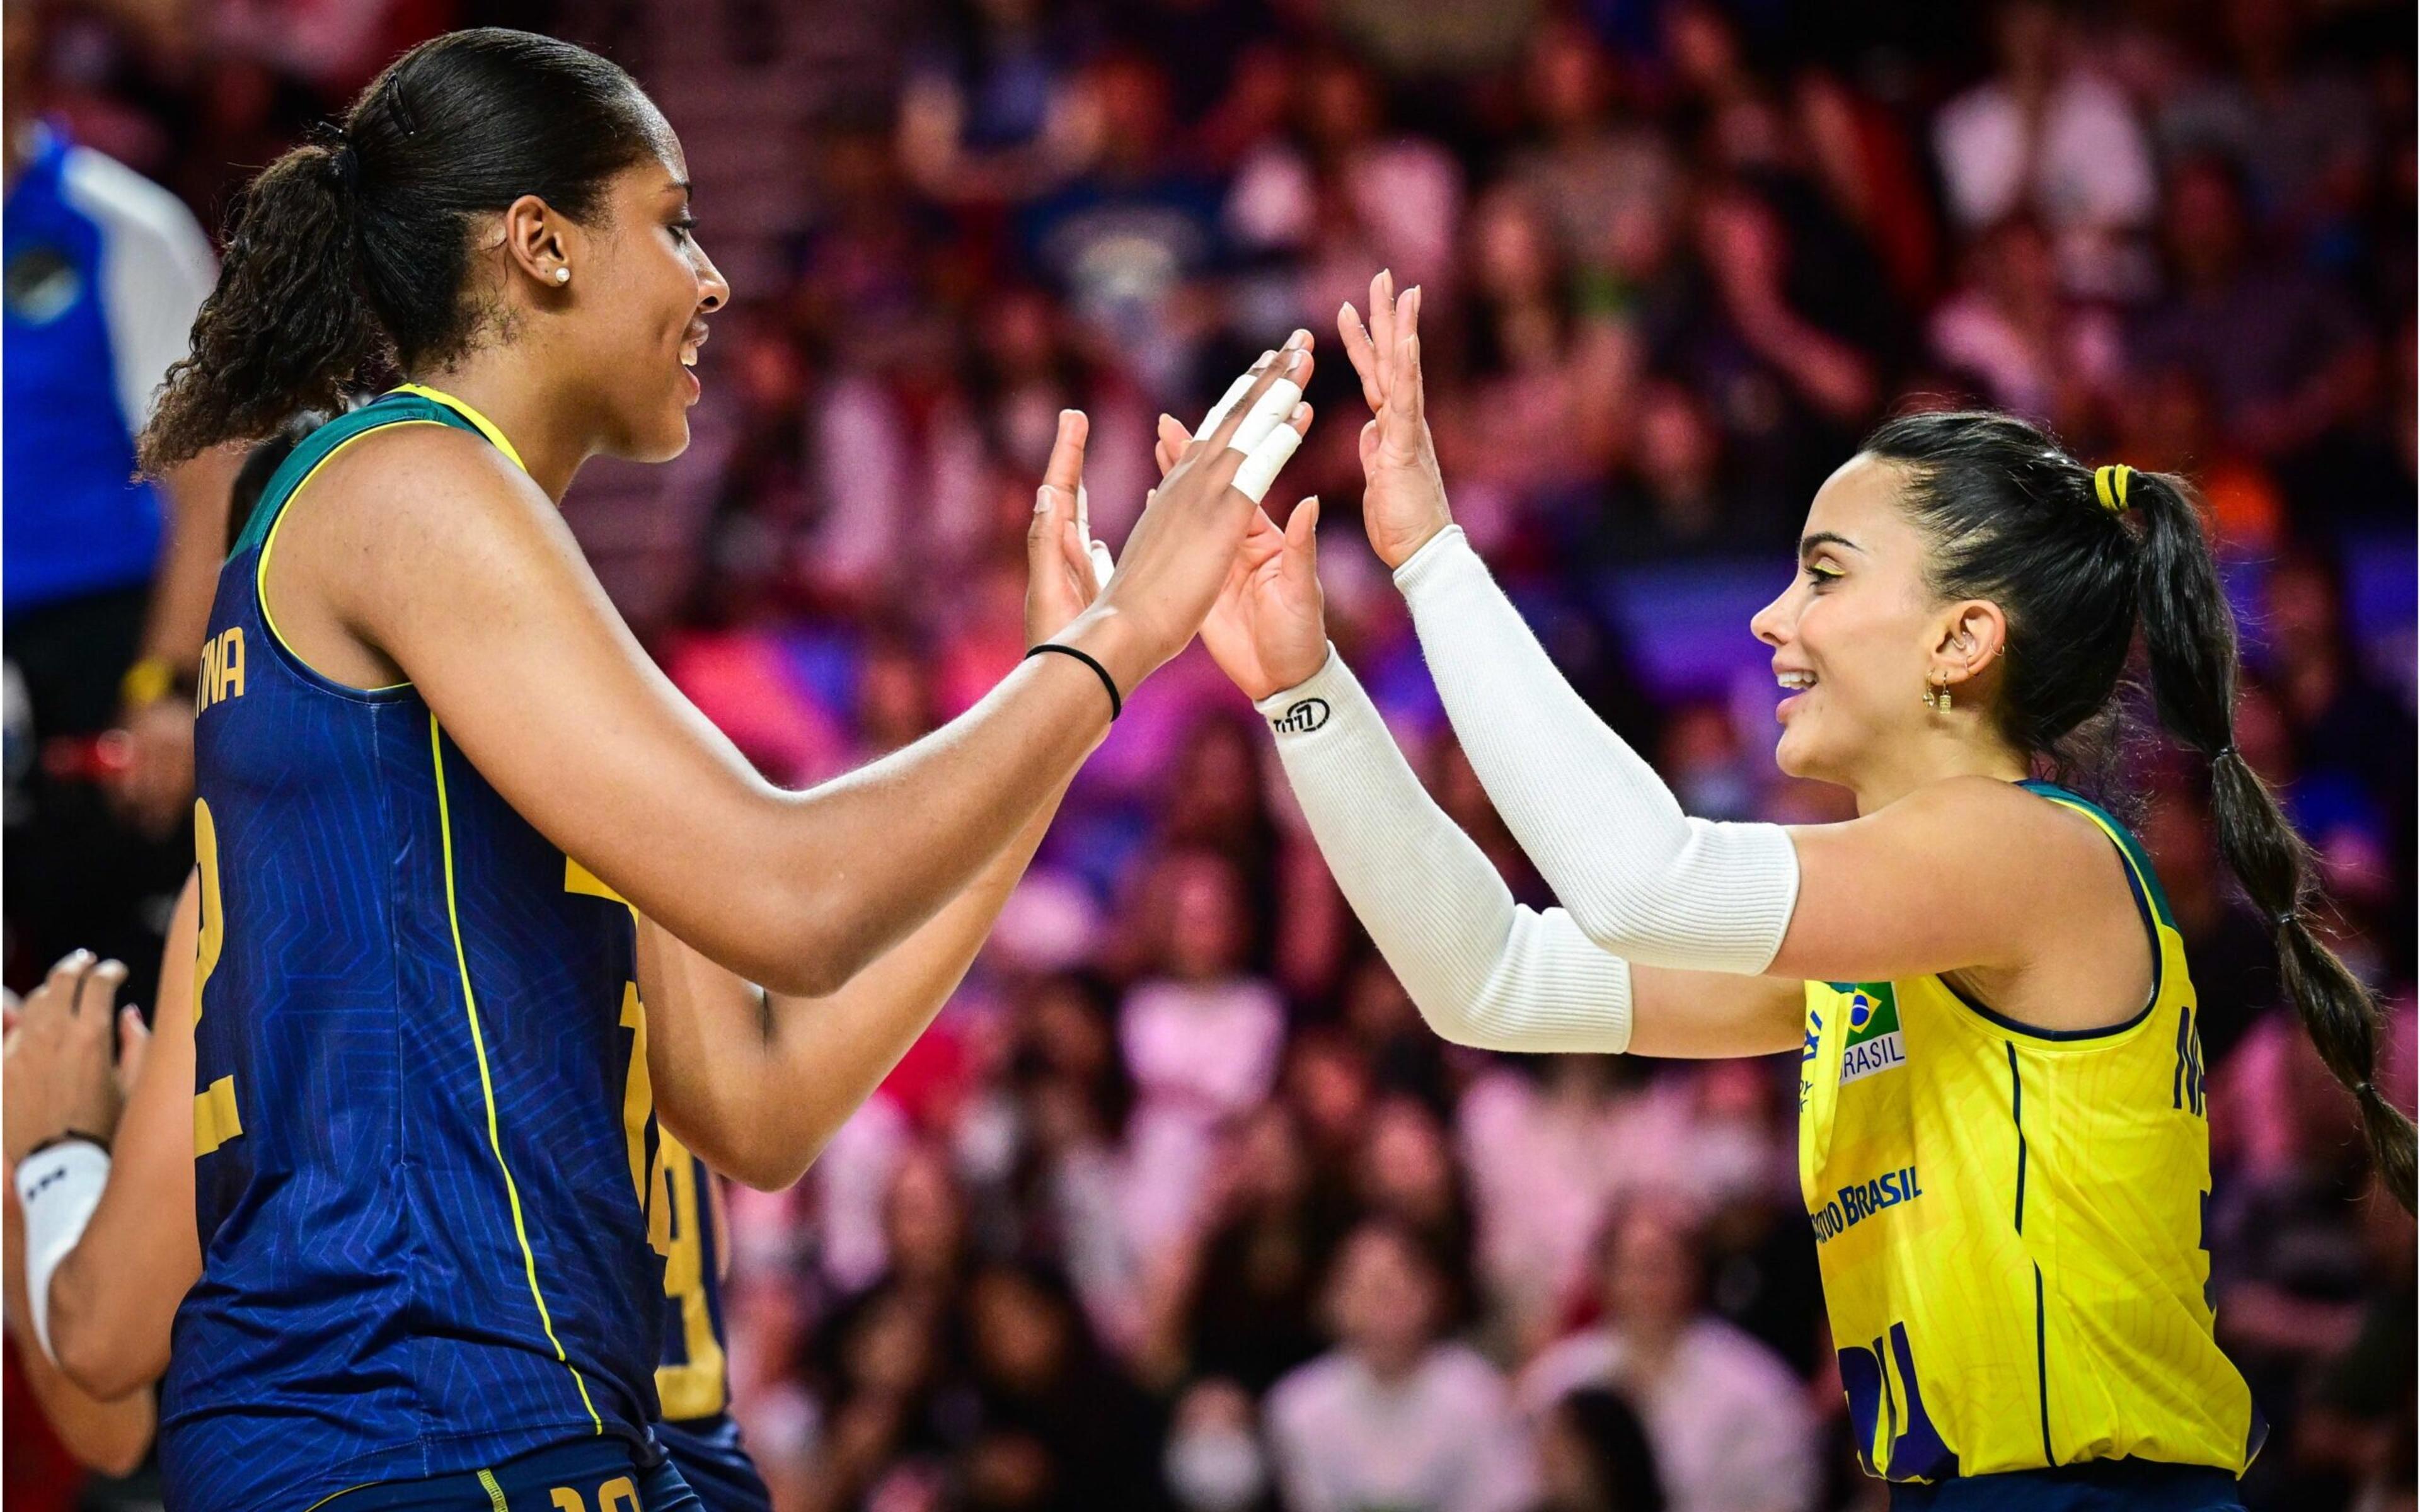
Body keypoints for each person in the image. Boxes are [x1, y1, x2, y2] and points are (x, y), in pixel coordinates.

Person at [8, 27, 1315, 1512]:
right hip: (406, 1435)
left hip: (555, 1433)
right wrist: (1115, 646)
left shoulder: (525, 637)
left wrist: (1052, 714)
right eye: (672, 219)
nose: (715, 277)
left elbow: (760, 1105)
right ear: (540, 246)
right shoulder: (399, 483)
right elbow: (794, 895)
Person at [1173, 269, 2414, 1510]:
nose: (1771, 621)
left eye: (1824, 576)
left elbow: (1639, 881)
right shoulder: (1883, 936)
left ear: (1959, 639)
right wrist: (1307, 690)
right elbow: (1495, 980)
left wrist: (1434, 561)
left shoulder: (2036, 857)